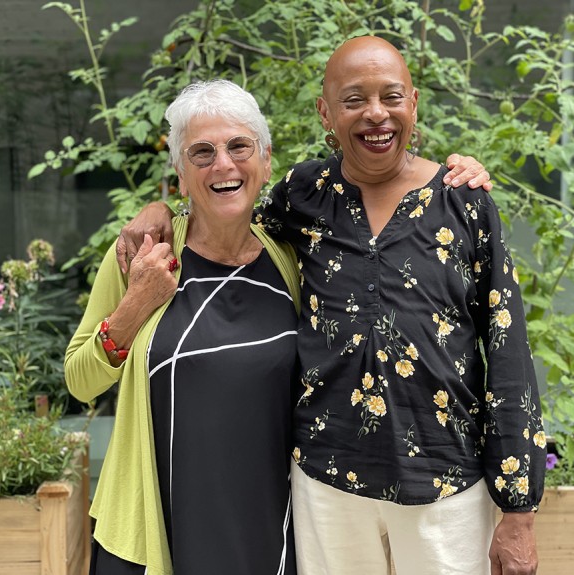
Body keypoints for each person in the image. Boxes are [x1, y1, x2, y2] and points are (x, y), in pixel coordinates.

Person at [116, 37, 546, 574]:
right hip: (329, 490)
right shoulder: (303, 195)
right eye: (353, 100)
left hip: (448, 488)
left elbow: (508, 354)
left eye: (391, 97)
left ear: (413, 104)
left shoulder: (464, 201)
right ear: (326, 112)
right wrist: (159, 207)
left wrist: (519, 509)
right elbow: (222, 216)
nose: (375, 114)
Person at [65, 79, 301, 575]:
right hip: (158, 528)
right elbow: (80, 380)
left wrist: (452, 181)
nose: (224, 164)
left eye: (240, 146)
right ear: (178, 170)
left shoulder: (293, 259)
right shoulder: (143, 252)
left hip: (268, 525)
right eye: (201, 152)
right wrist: (133, 307)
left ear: (266, 160)